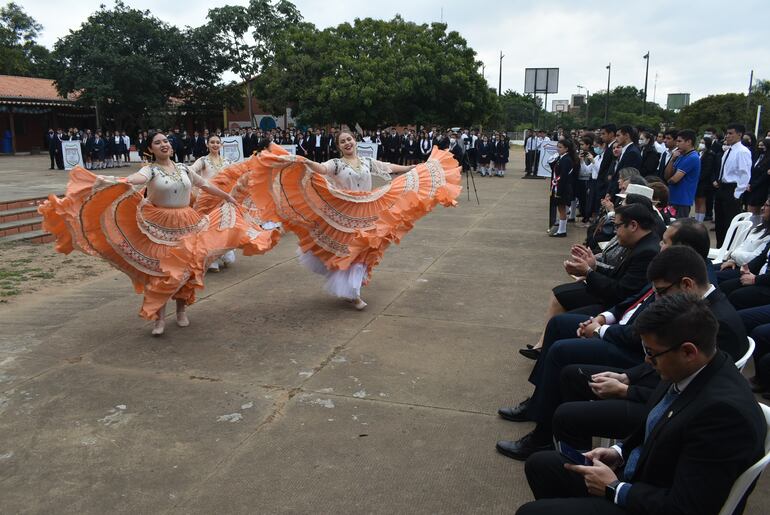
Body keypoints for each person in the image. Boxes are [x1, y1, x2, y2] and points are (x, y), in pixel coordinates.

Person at [516, 293, 765, 515]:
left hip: (651, 500)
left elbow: (688, 507)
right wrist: (618, 452)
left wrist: (615, 488)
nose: (647, 360)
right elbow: (652, 423)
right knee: (541, 464)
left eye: (651, 352)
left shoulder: (724, 416)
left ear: (688, 351)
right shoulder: (692, 369)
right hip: (640, 476)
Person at [499, 246, 747, 460]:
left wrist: (628, 388)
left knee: (566, 379)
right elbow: (661, 362)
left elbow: (687, 390)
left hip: (662, 406)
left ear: (686, 284)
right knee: (570, 374)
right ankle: (560, 445)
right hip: (651, 379)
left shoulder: (715, 324)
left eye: (661, 292)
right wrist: (627, 377)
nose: (656, 298)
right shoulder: (693, 305)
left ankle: (567, 459)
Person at [38, 131, 279, 336]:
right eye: (158, 142)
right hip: (158, 225)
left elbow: (204, 185)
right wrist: (113, 180)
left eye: (166, 141)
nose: (164, 144)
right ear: (151, 149)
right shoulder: (151, 170)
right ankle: (160, 317)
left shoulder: (184, 168)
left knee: (187, 268)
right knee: (162, 272)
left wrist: (228, 197)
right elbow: (134, 180)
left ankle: (182, 310)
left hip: (187, 221)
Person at [241, 131, 461, 310]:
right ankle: (353, 293)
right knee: (349, 250)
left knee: (364, 249)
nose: (347, 143)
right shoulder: (336, 163)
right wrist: (307, 162)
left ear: (355, 141)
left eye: (349, 139)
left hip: (368, 206)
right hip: (344, 209)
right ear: (339, 146)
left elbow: (387, 167)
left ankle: (352, 291)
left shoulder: (366, 160)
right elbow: (322, 169)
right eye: (342, 141)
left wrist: (411, 168)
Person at [713, 123, 752, 247]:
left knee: (729, 222)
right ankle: (720, 247)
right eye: (727, 133)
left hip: (732, 189)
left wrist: (737, 193)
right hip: (722, 187)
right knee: (719, 222)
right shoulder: (729, 150)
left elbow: (744, 174)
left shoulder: (742, 152)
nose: (727, 136)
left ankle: (728, 249)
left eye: (731, 133)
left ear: (739, 135)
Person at [664, 129, 700, 218]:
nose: (677, 144)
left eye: (680, 141)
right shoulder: (680, 155)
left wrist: (666, 183)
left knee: (678, 228)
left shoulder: (692, 158)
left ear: (689, 142)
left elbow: (673, 180)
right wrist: (672, 159)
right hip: (673, 198)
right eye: (676, 141)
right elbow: (667, 176)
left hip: (682, 200)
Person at [549, 140, 577, 237]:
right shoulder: (561, 158)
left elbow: (563, 176)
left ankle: (562, 230)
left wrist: (559, 191)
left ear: (566, 149)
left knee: (562, 209)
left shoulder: (567, 159)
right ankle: (561, 229)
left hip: (563, 188)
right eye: (558, 146)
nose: (558, 149)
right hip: (560, 187)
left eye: (560, 147)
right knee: (560, 209)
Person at [695, 135, 718, 222]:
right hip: (698, 181)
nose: (701, 144)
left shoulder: (710, 155)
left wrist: (698, 179)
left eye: (703, 143)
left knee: (702, 201)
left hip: (704, 183)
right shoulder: (699, 153)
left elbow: (707, 170)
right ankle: (697, 217)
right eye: (700, 142)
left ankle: (700, 220)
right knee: (697, 201)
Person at [747, 138, 770, 224]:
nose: (760, 147)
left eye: (762, 146)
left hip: (761, 188)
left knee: (756, 211)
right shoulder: (757, 156)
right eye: (759, 145)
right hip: (752, 186)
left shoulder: (768, 160)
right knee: (750, 211)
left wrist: (753, 185)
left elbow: (764, 176)